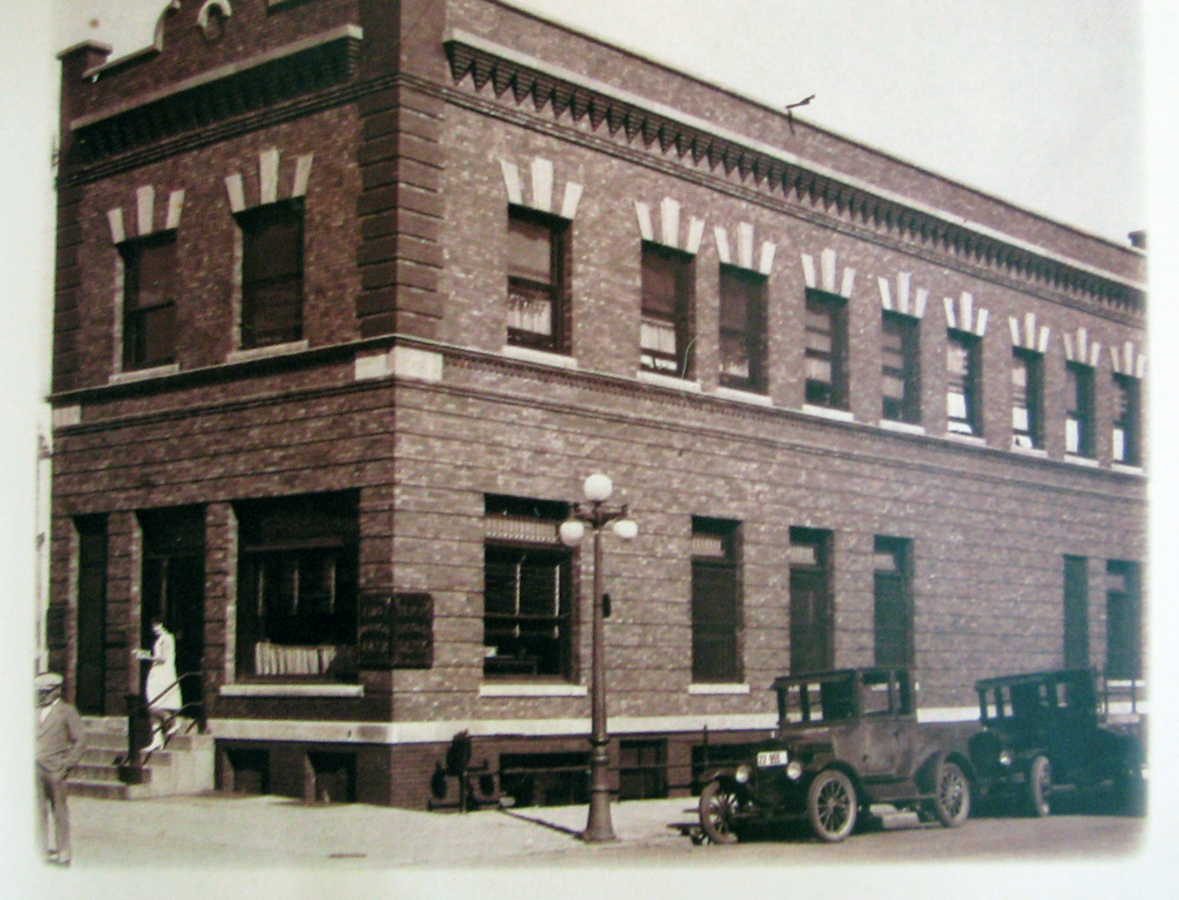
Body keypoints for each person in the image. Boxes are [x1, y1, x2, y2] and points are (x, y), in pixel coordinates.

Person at [35, 671, 85, 867]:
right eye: (39, 692)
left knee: (60, 811)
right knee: (37, 812)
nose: (40, 695)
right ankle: (39, 851)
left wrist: (66, 765)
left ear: (55, 692)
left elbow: (80, 741)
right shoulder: (34, 710)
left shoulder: (66, 711)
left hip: (55, 770)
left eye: (44, 692)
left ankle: (64, 851)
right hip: (36, 769)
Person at [142, 619, 182, 751]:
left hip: (162, 674)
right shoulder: (161, 639)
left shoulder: (166, 638)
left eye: (157, 626)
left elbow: (163, 658)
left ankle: (172, 721)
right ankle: (157, 739)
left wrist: (146, 656)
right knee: (153, 706)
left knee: (155, 705)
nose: (155, 629)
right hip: (157, 673)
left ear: (163, 625)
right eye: (153, 626)